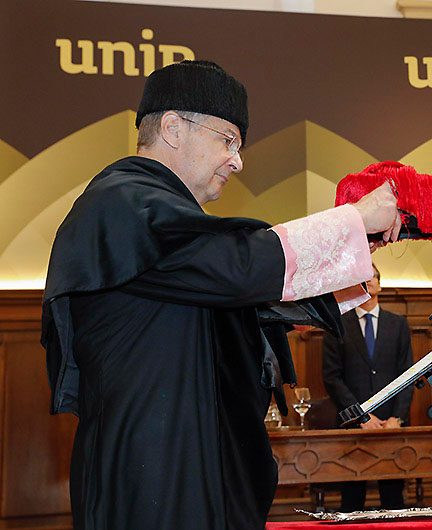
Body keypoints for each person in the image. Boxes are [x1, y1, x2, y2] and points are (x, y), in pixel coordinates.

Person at [41, 60, 402, 530]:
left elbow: (249, 301)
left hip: (191, 458)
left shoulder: (164, 221)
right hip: (151, 471)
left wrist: (356, 251)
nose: (238, 161)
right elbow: (236, 269)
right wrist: (353, 220)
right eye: (228, 140)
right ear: (173, 127)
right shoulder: (120, 203)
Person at [322, 263, 414, 512]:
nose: (367, 281)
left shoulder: (398, 324)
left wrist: (399, 418)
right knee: (352, 502)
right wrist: (360, 417)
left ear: (379, 285)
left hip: (391, 426)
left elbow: (408, 375)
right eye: (361, 278)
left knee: (394, 500)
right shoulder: (338, 325)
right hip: (354, 427)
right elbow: (332, 378)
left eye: (371, 276)